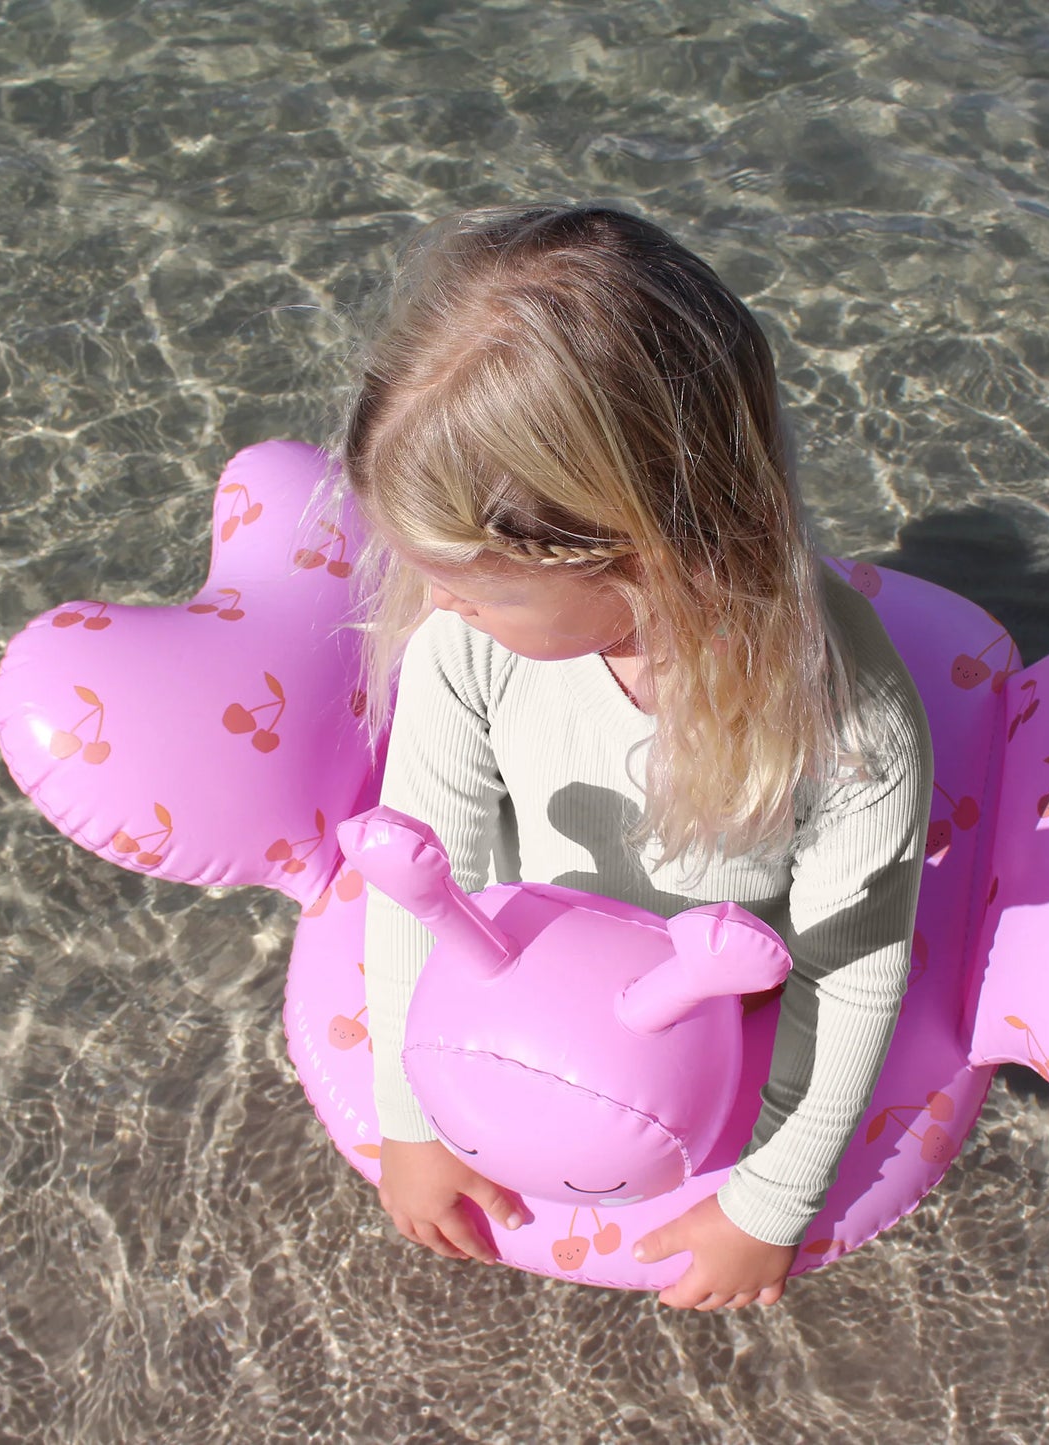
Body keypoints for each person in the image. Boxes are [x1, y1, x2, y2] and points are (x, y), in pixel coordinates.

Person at [341, 204, 932, 1312]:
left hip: (718, 996)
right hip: (521, 973)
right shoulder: (465, 648)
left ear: (638, 544)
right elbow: (430, 879)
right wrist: (409, 1117)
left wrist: (770, 1199)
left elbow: (849, 970)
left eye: (477, 582)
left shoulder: (848, 717)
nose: (440, 603)